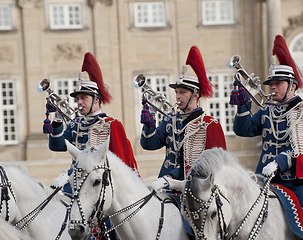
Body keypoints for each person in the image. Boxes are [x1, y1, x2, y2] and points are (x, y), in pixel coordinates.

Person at [233, 35, 303, 240]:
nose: (272, 87)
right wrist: (243, 101)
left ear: (292, 85)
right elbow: (244, 129)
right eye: (270, 83)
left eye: (278, 83)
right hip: (265, 178)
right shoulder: (267, 111)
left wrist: (279, 162)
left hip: (297, 179)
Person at [48, 52, 138, 240]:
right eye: (77, 99)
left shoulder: (111, 125)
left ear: (96, 100)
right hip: (75, 185)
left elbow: (123, 163)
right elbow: (57, 146)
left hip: (100, 191)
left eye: (84, 98)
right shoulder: (75, 124)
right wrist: (56, 121)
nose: (79, 103)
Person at [140, 46, 227, 237]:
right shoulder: (170, 120)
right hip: (167, 187)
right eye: (177, 92)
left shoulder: (209, 125)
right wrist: (149, 123)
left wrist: (173, 179)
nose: (177, 96)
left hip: (196, 194)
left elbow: (216, 170)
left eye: (182, 92)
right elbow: (149, 144)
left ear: (195, 95)